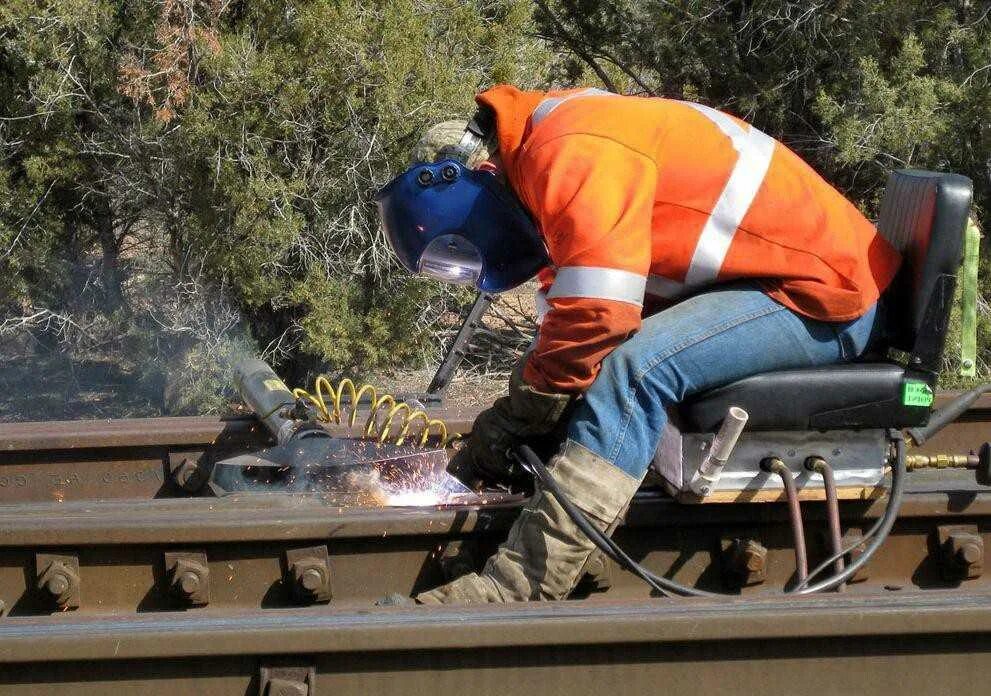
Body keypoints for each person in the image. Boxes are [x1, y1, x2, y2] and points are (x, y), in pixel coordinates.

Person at [376, 85, 900, 604]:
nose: (470, 265)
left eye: (457, 252)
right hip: (785, 276)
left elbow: (600, 318)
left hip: (825, 291)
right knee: (600, 368)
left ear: (466, 184)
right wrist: (529, 413)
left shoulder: (566, 150)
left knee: (637, 371)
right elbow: (568, 323)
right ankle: (575, 517)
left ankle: (521, 585)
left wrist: (526, 407)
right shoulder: (545, 156)